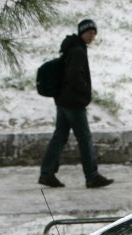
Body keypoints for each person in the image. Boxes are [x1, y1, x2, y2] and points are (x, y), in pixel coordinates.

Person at [38, 18, 114, 190]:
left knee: (60, 137)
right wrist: (85, 91)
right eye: (89, 33)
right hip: (73, 102)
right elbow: (74, 76)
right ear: (82, 32)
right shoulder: (78, 50)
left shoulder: (71, 47)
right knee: (84, 138)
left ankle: (47, 173)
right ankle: (92, 176)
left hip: (63, 100)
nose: (92, 36)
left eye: (94, 33)